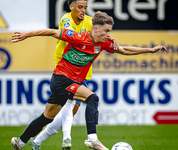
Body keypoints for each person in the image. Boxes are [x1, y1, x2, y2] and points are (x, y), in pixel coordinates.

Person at [11, 11, 167, 150]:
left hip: (71, 83)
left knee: (47, 117)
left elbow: (124, 50)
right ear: (96, 28)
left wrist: (150, 50)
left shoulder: (103, 43)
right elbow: (51, 31)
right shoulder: (78, 37)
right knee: (92, 98)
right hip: (61, 78)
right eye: (106, 31)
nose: (108, 34)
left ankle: (20, 142)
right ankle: (92, 138)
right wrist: (27, 34)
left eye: (110, 31)